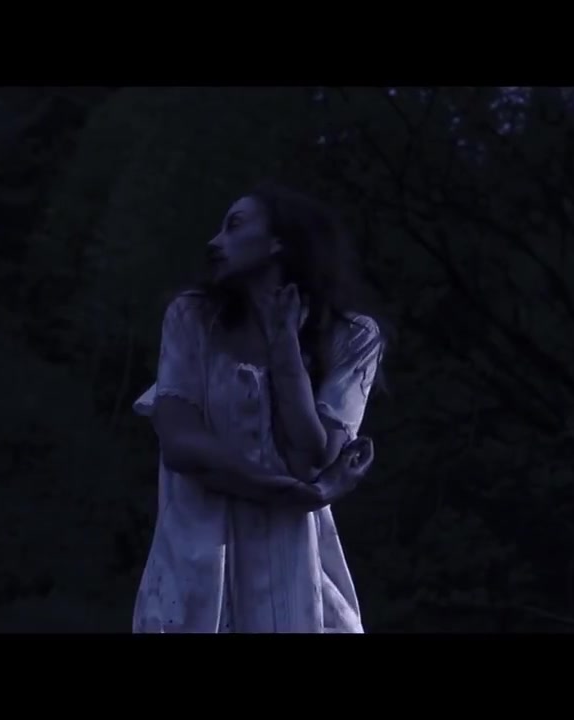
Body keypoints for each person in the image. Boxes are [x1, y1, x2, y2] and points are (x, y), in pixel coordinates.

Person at [130, 182, 388, 633]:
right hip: (197, 572)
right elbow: (181, 444)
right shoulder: (193, 319)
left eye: (234, 226)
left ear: (279, 241)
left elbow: (311, 458)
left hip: (299, 576)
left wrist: (284, 346)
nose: (215, 242)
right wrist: (297, 493)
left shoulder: (354, 336)